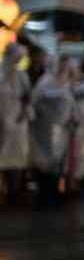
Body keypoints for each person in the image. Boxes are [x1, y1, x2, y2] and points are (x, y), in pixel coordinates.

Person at [30, 56, 84, 195]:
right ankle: (56, 189)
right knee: (55, 160)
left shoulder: (63, 83)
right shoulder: (48, 82)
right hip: (52, 129)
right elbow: (46, 101)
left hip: (65, 128)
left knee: (68, 159)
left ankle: (67, 187)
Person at [1, 43, 33, 199]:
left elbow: (27, 97)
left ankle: (14, 190)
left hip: (18, 122)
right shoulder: (2, 74)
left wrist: (23, 112)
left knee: (17, 156)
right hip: (3, 120)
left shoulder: (22, 76)